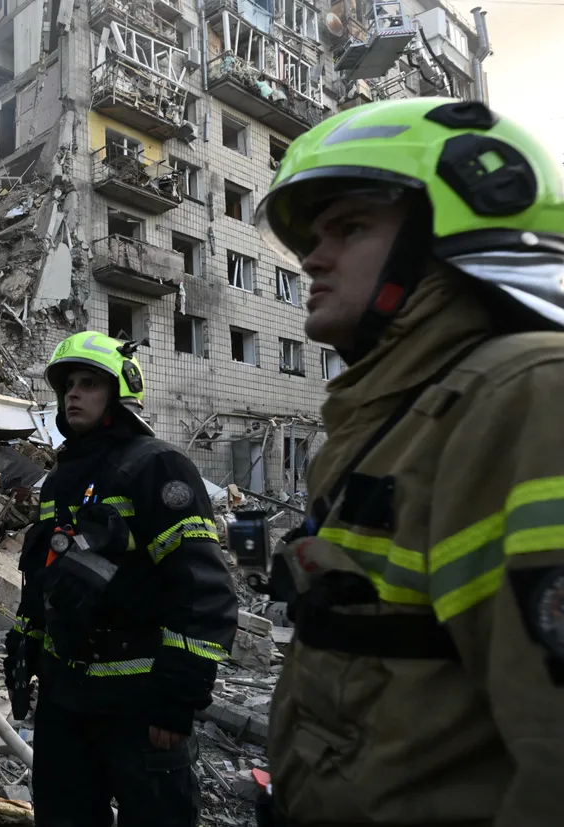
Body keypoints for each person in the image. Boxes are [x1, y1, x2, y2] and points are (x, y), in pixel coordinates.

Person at [251, 98, 564, 826]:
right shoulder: (393, 416)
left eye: (351, 227)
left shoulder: (525, 397)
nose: (312, 259)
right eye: (313, 238)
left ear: (449, 236)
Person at [5, 331, 237, 827]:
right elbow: (45, 576)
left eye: (89, 383)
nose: (73, 394)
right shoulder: (62, 480)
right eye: (68, 385)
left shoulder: (156, 465)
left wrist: (176, 699)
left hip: (138, 704)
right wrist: (25, 645)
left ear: (120, 392)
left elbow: (203, 591)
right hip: (66, 702)